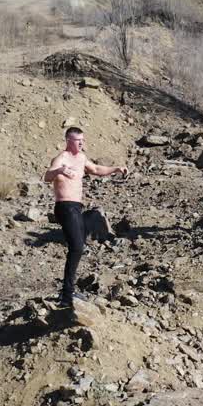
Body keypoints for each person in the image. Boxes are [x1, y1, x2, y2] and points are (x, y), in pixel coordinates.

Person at [43, 127, 128, 307]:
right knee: (77, 248)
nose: (81, 143)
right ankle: (67, 296)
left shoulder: (81, 158)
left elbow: (96, 169)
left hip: (77, 207)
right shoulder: (61, 158)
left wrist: (116, 169)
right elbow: (47, 176)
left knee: (88, 227)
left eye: (82, 139)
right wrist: (60, 171)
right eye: (77, 140)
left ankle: (68, 291)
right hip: (64, 207)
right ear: (68, 140)